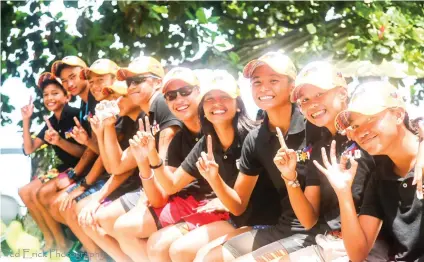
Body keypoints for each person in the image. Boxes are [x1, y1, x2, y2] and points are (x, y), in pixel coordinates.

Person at [235, 61, 378, 261]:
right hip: (324, 240)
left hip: (368, 244)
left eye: (320, 94)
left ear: (342, 93)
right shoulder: (319, 145)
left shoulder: (368, 133)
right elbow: (308, 219)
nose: (312, 104)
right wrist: (289, 176)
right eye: (304, 100)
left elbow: (405, 137)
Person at [197, 52, 317, 261]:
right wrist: (213, 179)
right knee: (207, 258)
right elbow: (238, 205)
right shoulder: (256, 139)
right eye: (257, 82)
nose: (263, 88)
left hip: (315, 232)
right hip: (283, 229)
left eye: (273, 80)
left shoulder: (315, 127)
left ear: (292, 87)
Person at [315, 81, 424, 261]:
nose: (362, 131)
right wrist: (343, 193)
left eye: (370, 118)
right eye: (355, 126)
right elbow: (358, 254)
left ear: (398, 115)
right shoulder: (380, 176)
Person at [18, 72, 84, 251]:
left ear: (67, 96)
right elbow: (29, 148)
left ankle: (62, 242)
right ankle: (50, 239)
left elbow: (85, 153)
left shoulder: (74, 115)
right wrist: (26, 120)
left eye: (55, 93)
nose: (49, 98)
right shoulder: (52, 121)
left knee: (40, 193)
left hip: (79, 169)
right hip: (61, 169)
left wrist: (59, 142)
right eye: (46, 95)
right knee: (24, 192)